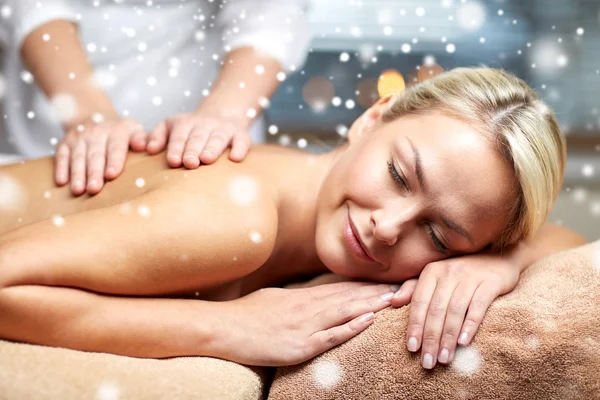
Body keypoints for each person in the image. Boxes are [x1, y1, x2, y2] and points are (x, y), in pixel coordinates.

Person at [0, 68, 587, 370]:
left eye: (436, 234)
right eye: (400, 177)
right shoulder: (237, 222)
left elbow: (572, 243)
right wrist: (229, 330)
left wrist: (501, 262)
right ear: (372, 119)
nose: (389, 226)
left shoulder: (308, 215)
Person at [0, 0, 310, 194]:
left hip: (209, 148)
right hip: (47, 141)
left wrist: (223, 115)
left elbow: (271, 13)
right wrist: (86, 115)